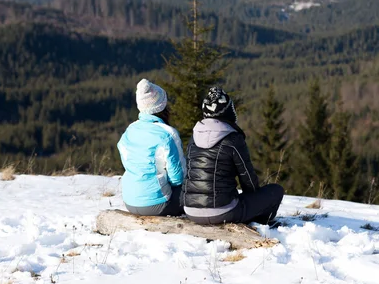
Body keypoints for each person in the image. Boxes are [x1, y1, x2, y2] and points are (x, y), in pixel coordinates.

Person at [182, 86, 284, 225]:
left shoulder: (193, 138)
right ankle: (261, 224)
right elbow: (248, 180)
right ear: (228, 111)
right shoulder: (233, 139)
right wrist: (255, 200)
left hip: (191, 211)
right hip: (223, 212)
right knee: (276, 191)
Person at [117, 79, 186, 216]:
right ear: (162, 105)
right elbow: (178, 178)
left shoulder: (129, 130)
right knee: (192, 190)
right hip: (158, 204)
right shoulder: (167, 134)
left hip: (130, 201)